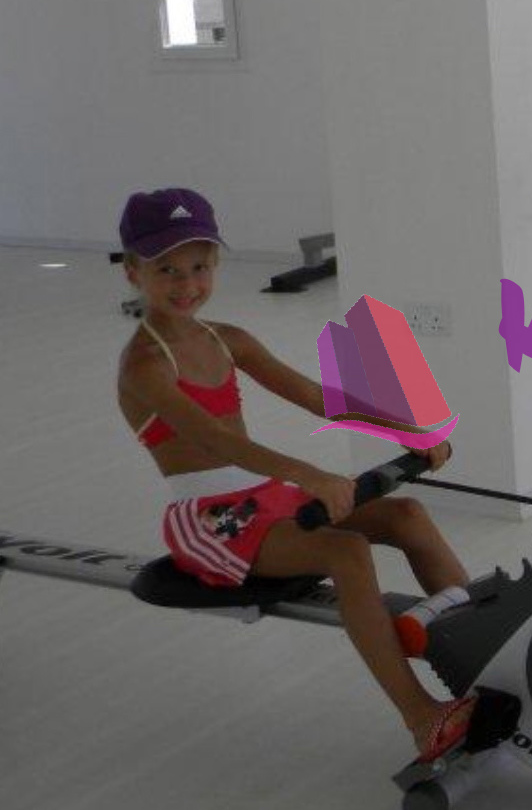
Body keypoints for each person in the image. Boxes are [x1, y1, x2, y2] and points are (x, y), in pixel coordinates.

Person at [114, 187, 477, 763]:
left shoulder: (226, 339)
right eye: (167, 271)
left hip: (264, 497)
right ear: (133, 273)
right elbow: (216, 440)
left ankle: (488, 661)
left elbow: (315, 394)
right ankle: (422, 718)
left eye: (200, 267)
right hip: (208, 521)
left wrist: (408, 430)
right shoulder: (144, 365)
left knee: (407, 514)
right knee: (346, 551)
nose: (187, 285)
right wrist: (309, 475)